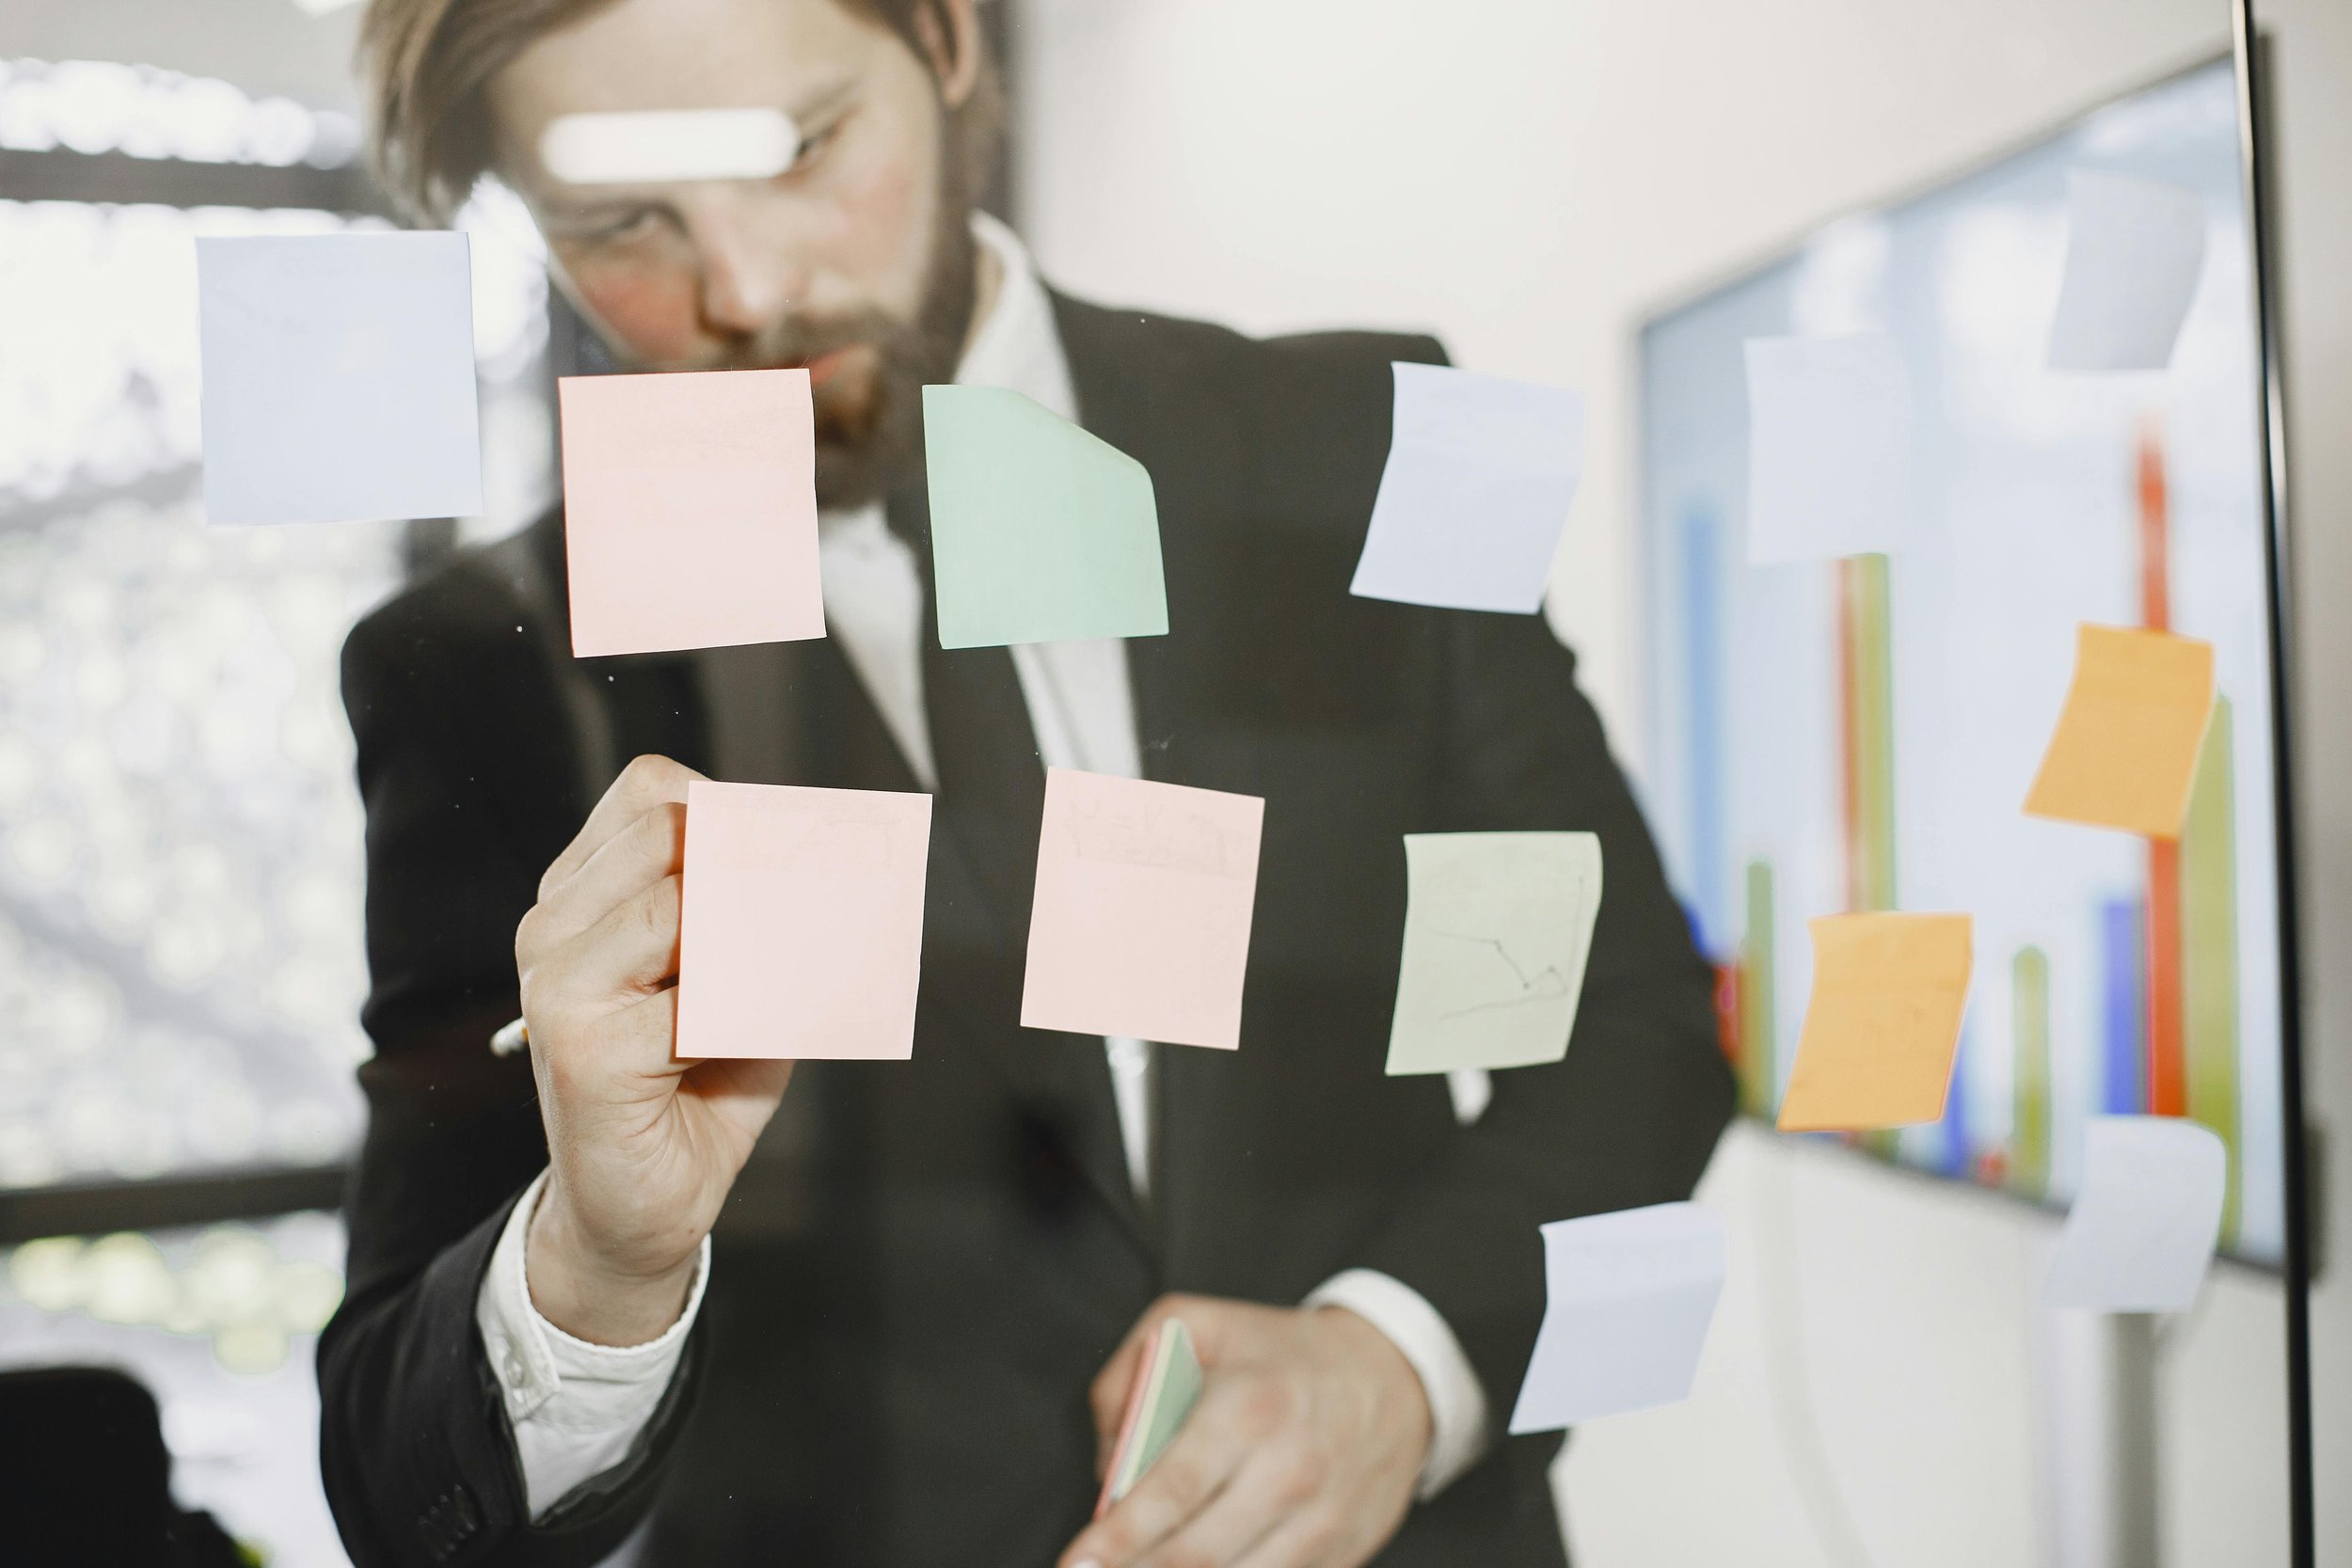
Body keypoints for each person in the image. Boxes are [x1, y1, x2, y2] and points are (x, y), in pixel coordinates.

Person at [318, 0, 1735, 1562]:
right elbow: (398, 1487)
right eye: (622, 221)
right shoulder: (483, 669)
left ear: (944, 43)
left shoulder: (1367, 445)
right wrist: (596, 1260)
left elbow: (1637, 1033)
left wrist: (1399, 1363)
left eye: (806, 147)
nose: (753, 288)